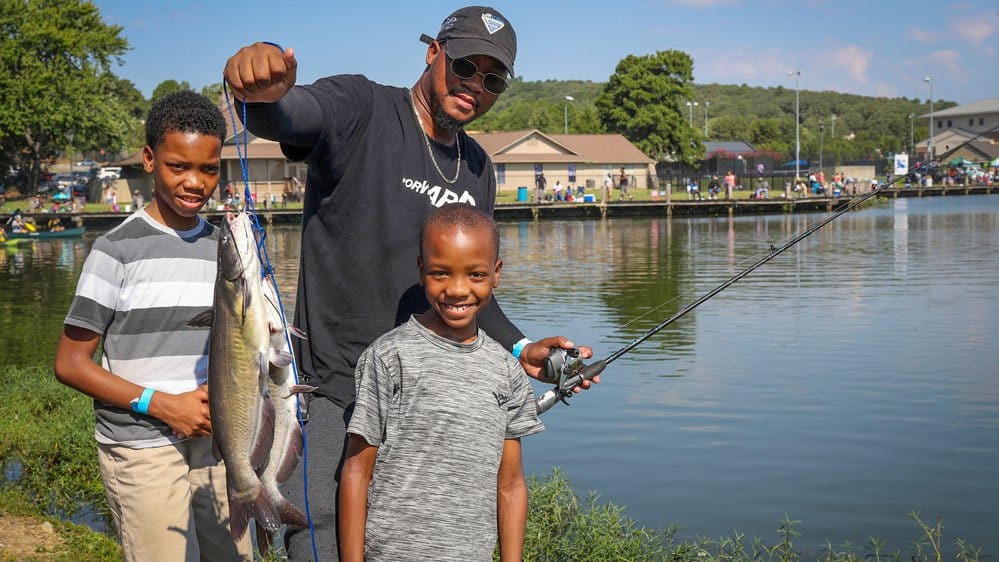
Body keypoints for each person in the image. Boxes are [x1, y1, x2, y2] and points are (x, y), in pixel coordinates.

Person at [223, 7, 594, 559]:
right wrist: (265, 93)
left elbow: (470, 297)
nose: (475, 87)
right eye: (466, 67)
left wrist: (521, 348)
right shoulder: (362, 107)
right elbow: (293, 117)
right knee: (319, 535)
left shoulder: (478, 168)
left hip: (426, 401)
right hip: (334, 390)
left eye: (493, 79)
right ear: (433, 52)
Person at [53, 91, 252, 562]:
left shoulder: (225, 249)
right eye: (177, 166)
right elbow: (70, 363)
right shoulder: (115, 250)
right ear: (149, 159)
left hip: (215, 442)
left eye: (208, 169)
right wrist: (163, 405)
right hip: (141, 445)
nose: (194, 182)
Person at [340, 203, 543, 561]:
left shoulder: (507, 370)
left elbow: (510, 484)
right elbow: (357, 471)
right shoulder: (389, 356)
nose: (458, 289)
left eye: (476, 275)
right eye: (440, 273)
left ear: (496, 273)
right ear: (421, 270)